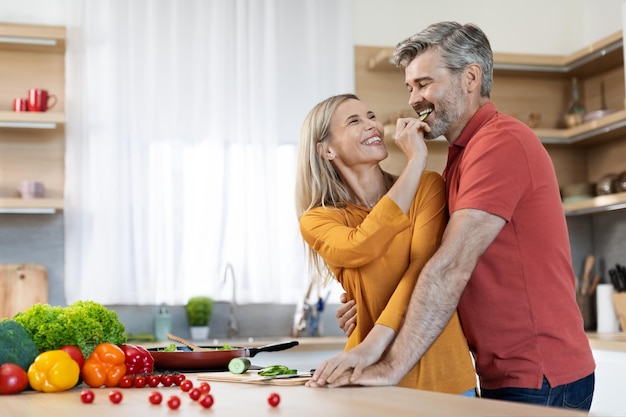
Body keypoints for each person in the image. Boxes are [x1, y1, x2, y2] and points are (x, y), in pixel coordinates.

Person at [311, 22, 596, 411]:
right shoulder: (461, 157)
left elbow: (449, 268)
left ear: (471, 78)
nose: (414, 99)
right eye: (410, 87)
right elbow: (424, 266)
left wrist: (390, 366)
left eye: (424, 83)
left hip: (539, 373)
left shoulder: (500, 144)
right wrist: (373, 301)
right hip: (503, 371)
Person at [295, 93, 476, 394]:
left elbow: (424, 269)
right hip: (369, 379)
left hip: (445, 377)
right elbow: (360, 245)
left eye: (371, 116)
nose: (372, 125)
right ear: (326, 150)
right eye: (354, 121)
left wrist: (373, 343)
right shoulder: (318, 220)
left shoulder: (427, 186)